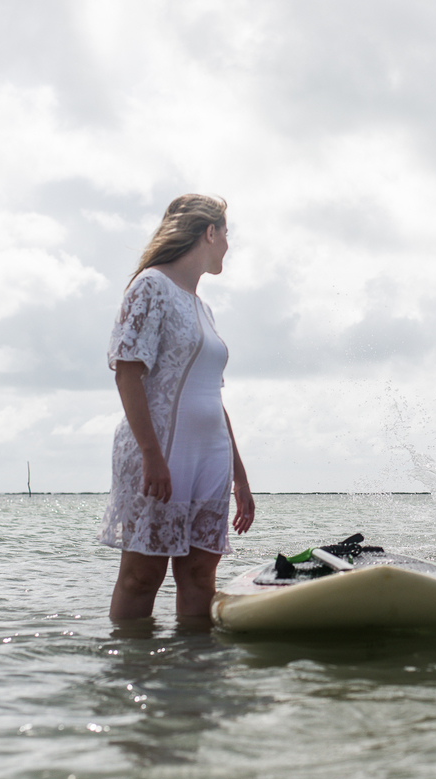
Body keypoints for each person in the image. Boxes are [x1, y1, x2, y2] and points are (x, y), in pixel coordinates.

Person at [99, 194, 254, 623]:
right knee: (142, 575)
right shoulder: (151, 286)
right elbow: (127, 372)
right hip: (161, 452)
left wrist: (240, 477)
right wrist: (151, 454)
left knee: (201, 575)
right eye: (226, 234)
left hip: (212, 456)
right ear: (210, 232)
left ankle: (195, 682)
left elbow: (213, 397)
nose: (228, 245)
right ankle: (133, 677)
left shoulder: (204, 308)